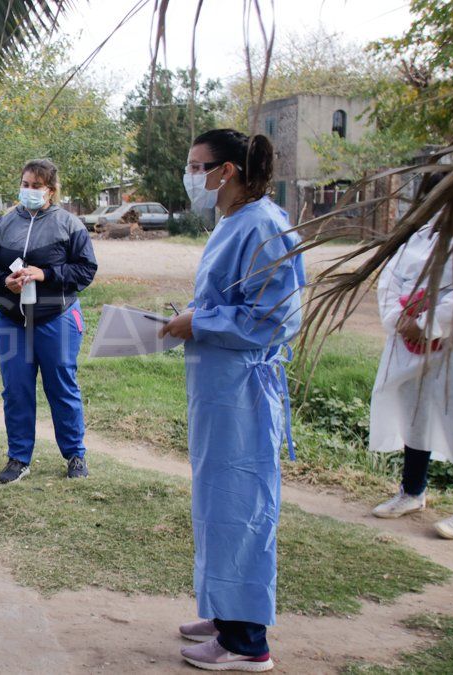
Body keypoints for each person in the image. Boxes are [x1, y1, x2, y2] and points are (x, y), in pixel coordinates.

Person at [159, 128, 305, 671]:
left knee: (241, 504)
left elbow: (275, 317)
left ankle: (248, 641)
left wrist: (200, 321)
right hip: (220, 386)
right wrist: (194, 315)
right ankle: (224, 613)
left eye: (198, 167)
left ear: (229, 171)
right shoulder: (235, 222)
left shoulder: (265, 225)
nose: (191, 176)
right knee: (217, 504)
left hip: (244, 388)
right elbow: (232, 300)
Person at [0, 158, 97, 484]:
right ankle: (18, 458)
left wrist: (46, 274)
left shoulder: (70, 225)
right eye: (25, 184)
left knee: (62, 387)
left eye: (36, 186)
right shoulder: (3, 224)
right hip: (11, 321)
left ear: (51, 191)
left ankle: (75, 454)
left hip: (56, 318)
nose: (28, 191)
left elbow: (86, 270)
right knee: (16, 391)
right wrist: (4, 282)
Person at [368, 173, 453, 540]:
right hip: (408, 342)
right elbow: (389, 282)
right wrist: (402, 320)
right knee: (415, 413)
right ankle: (412, 491)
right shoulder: (416, 238)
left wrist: (429, 323)